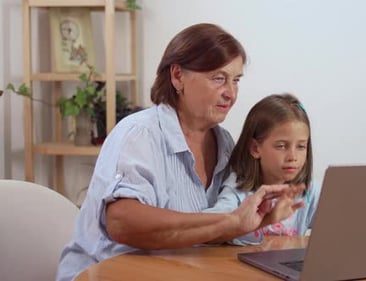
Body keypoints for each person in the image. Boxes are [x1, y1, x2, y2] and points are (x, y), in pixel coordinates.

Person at [56, 23, 305, 281]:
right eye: (218, 78)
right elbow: (122, 223)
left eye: (236, 80)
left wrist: (256, 220)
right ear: (177, 76)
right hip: (108, 274)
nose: (231, 93)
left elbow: (211, 232)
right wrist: (229, 222)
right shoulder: (141, 134)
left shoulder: (225, 142)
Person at [204, 93, 320, 245]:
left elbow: (339, 225)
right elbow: (207, 229)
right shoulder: (238, 190)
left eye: (301, 146)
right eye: (281, 146)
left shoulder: (308, 191)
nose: (293, 156)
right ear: (255, 148)